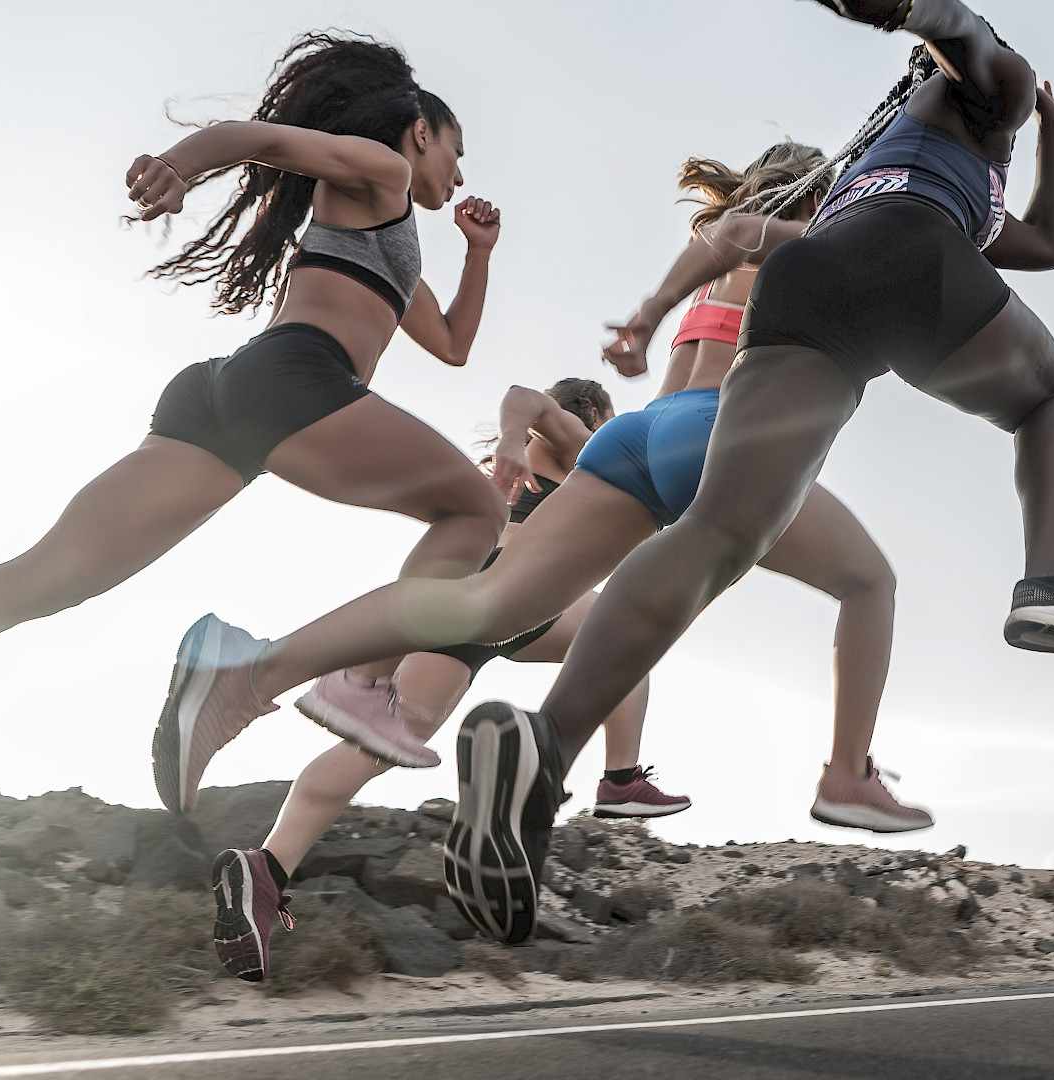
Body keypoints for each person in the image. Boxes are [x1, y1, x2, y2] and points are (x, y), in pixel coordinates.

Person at [469, 0, 1054, 941]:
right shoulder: (999, 87)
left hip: (814, 284)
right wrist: (914, 15)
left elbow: (1046, 242)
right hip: (912, 261)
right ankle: (1047, 584)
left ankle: (544, 755)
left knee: (715, 538)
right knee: (1052, 397)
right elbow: (967, 38)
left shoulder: (909, 167)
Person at [166, 139, 933, 945]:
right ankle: (834, 771)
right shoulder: (806, 245)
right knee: (863, 584)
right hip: (722, 437)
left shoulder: (718, 275)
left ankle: (254, 671)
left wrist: (646, 316)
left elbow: (728, 239)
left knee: (493, 611)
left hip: (639, 437)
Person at [0, 33, 508, 817]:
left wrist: (478, 253)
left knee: (39, 580)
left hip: (222, 398)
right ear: (421, 131)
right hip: (293, 381)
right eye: (457, 150)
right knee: (480, 511)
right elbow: (267, 139)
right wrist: (180, 166)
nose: (460, 173)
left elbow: (451, 345)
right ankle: (357, 680)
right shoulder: (381, 169)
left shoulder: (388, 229)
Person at [209, 378, 685, 981]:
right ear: (591, 411)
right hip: (514, 583)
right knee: (628, 633)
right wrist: (518, 436)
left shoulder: (540, 463)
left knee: (382, 739)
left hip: (469, 593)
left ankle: (266, 869)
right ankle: (616, 778)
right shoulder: (584, 441)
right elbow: (525, 395)